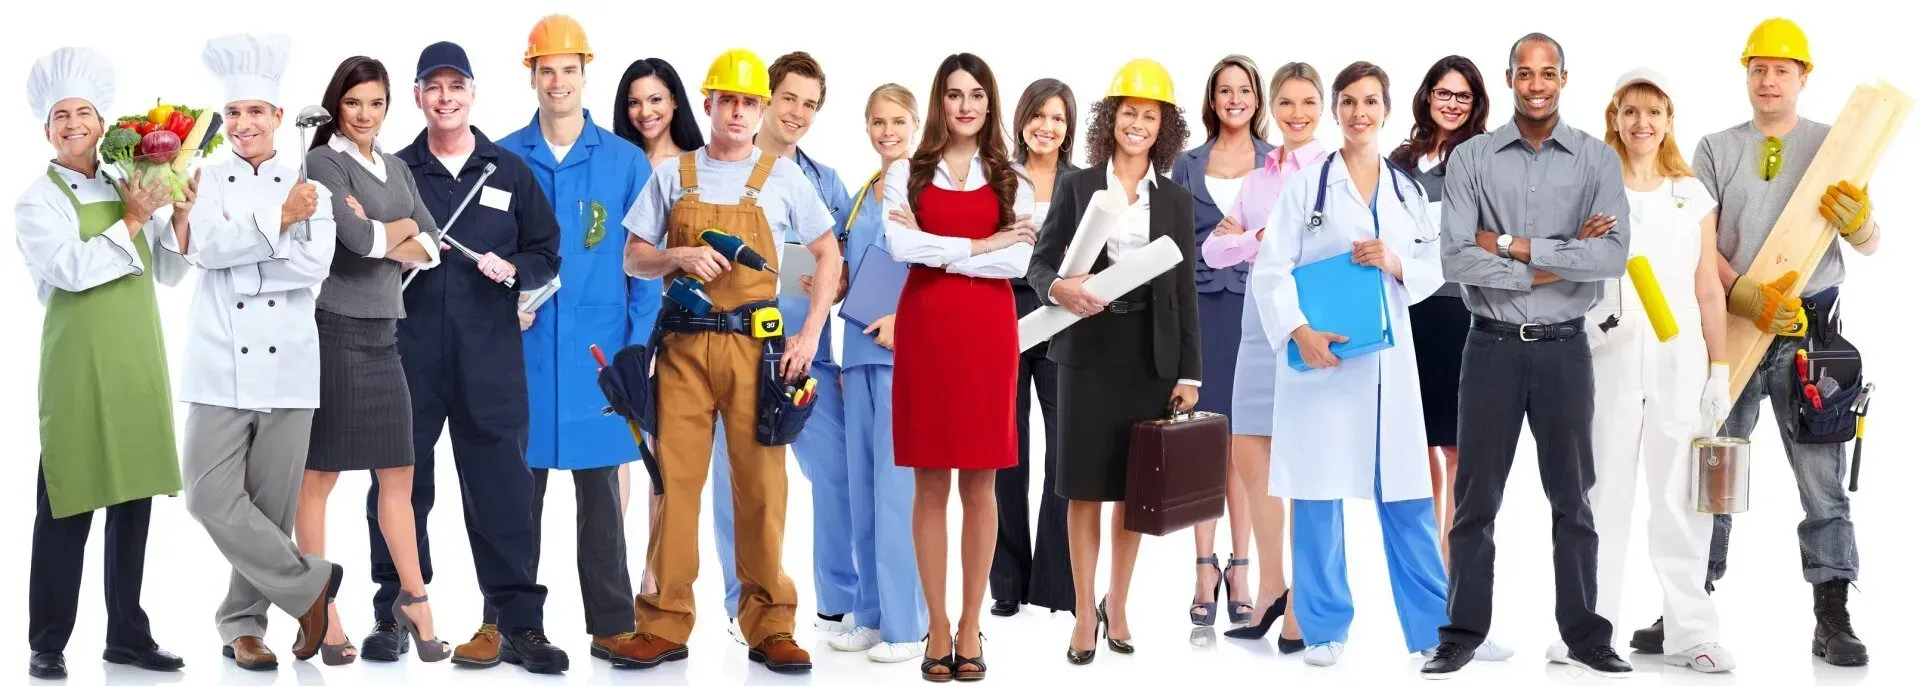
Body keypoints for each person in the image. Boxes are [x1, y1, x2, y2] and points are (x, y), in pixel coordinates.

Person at [1628, 17, 1880, 667]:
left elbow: (1869, 242)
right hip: (1734, 332)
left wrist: (1861, 223)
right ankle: (1689, 611)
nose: (1769, 80)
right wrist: (1741, 292)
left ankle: (1833, 616)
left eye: (1781, 70)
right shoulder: (1715, 149)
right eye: (1758, 69)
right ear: (1746, 74)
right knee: (1712, 475)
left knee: (1823, 484)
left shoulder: (1835, 145)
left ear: (1803, 77)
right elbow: (1697, 242)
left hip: (1810, 339)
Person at [620, 47, 842, 674]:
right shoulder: (673, 174)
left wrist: (809, 337)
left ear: (760, 109)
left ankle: (771, 626)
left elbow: (829, 255)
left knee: (762, 490)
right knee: (675, 487)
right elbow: (633, 256)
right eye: (728, 101)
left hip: (756, 351)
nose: (738, 112)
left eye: (749, 102)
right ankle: (662, 624)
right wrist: (677, 257)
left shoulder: (784, 178)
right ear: (709, 103)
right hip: (683, 351)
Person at [1422, 33, 1632, 679]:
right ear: (1509, 78)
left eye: (1547, 73)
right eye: (1524, 73)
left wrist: (1510, 244)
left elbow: (1610, 257)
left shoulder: (1596, 160)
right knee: (1474, 502)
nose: (1536, 84)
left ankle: (1586, 636)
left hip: (1566, 351)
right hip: (1489, 348)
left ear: (1563, 78)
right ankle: (1461, 634)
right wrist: (1562, 254)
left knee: (1574, 500)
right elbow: (1457, 257)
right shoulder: (1473, 159)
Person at [1249, 60, 1449, 668]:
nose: (1360, 113)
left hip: (1388, 367)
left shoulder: (1407, 191)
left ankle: (1434, 630)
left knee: (1408, 498)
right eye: (1349, 102)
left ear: (1386, 110)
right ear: (1336, 110)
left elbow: (1433, 267)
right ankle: (1324, 628)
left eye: (1370, 101)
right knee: (1317, 495)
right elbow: (1271, 270)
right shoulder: (1305, 188)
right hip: (1326, 364)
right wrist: (1299, 332)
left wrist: (1394, 261)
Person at [372, 40, 563, 669]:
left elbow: (547, 251)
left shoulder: (506, 170)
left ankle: (520, 624)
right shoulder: (394, 172)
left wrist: (516, 269)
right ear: (418, 96)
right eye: (433, 86)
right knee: (400, 484)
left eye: (456, 86)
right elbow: (365, 248)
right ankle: (394, 611)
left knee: (503, 488)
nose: (445, 97)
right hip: (407, 353)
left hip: (490, 357)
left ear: (473, 93)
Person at [490, 14, 659, 671]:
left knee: (602, 499)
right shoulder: (501, 158)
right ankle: (509, 624)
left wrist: (636, 352)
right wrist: (500, 313)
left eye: (568, 69)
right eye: (546, 69)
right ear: (531, 75)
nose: (557, 80)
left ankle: (613, 625)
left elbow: (644, 265)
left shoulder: (625, 162)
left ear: (586, 73)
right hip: (523, 355)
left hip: (599, 355)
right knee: (514, 495)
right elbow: (483, 256)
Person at [17, 46, 188, 680]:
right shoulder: (38, 200)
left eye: (83, 113)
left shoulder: (127, 182)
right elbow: (68, 269)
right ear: (47, 131)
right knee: (68, 498)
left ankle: (127, 636)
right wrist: (134, 220)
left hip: (136, 355)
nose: (73, 124)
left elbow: (168, 269)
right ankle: (47, 641)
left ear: (102, 122)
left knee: (134, 497)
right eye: (60, 116)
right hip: (79, 363)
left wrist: (179, 211)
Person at [1028, 58, 1199, 666]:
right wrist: (1058, 290)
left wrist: (1189, 372)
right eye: (1129, 112)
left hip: (1149, 357)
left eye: (1150, 116)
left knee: (1133, 493)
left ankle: (1117, 604)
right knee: (1083, 490)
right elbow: (1040, 263)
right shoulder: (1076, 187)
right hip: (1085, 352)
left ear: (1163, 127)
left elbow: (1184, 291)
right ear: (1111, 118)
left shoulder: (1176, 199)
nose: (1137, 124)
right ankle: (1083, 610)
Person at [183, 32, 344, 671]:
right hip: (218, 362)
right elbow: (203, 250)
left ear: (278, 116)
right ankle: (311, 585)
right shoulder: (207, 180)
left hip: (289, 368)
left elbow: (314, 267)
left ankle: (244, 626)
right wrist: (278, 222)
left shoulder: (312, 187)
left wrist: (242, 252)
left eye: (255, 111)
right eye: (233, 113)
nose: (242, 123)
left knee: (269, 510)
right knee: (206, 496)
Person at [885, 53, 1033, 681]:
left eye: (976, 94)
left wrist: (943, 251)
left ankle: (971, 623)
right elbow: (900, 246)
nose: (965, 105)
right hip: (926, 330)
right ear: (939, 101)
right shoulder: (907, 171)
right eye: (954, 94)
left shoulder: (1012, 177)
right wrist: (983, 244)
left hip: (987, 333)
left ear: (990, 103)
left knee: (980, 482)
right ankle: (938, 624)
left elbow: (1018, 263)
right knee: (928, 483)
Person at [1586, 68, 1736, 673]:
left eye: (1653, 111)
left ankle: (1690, 633)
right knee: (1602, 494)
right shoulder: (1593, 189)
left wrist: (1719, 369)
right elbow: (1573, 274)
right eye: (1630, 111)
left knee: (1680, 498)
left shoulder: (1691, 194)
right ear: (1615, 119)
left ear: (1669, 120)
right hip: (1609, 355)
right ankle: (1588, 629)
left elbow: (1708, 289)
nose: (1642, 122)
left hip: (1680, 361)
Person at [297, 55, 446, 666]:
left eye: (376, 103)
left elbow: (434, 243)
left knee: (399, 472)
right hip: (335, 331)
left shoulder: (394, 166)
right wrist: (399, 230)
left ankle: (415, 598)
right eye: (354, 102)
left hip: (386, 334)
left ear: (389, 106)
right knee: (319, 477)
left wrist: (392, 229)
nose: (365, 114)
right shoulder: (323, 162)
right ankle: (321, 608)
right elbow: (355, 243)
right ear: (337, 104)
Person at [708, 50, 859, 644]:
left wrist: (832, 293)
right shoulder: (722, 171)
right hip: (736, 353)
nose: (798, 112)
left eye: (810, 104)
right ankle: (741, 604)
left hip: (808, 358)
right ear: (765, 100)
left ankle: (839, 603)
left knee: (838, 474)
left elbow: (844, 265)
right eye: (789, 98)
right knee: (738, 488)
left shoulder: (827, 185)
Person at [1203, 62, 1324, 652]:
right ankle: (1272, 584)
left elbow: (1321, 248)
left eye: (1308, 103)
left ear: (1321, 109)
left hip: (1307, 318)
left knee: (1304, 460)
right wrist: (1261, 238)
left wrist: (1257, 241)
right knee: (1249, 446)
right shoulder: (1257, 178)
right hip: (1256, 321)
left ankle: (1304, 601)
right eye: (1287, 103)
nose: (1296, 114)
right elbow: (1214, 249)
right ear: (1271, 109)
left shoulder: (1331, 172)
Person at [823, 82, 932, 664]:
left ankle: (907, 624)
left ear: (915, 125)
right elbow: (856, 267)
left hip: (903, 357)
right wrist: (826, 283)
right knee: (863, 486)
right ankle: (868, 615)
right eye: (877, 122)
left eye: (897, 122)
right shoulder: (865, 190)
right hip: (859, 355)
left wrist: (906, 319)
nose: (887, 132)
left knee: (897, 492)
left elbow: (938, 268)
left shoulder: (926, 186)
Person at [1170, 54, 1268, 628]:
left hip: (1256, 311)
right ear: (1212, 99)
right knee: (1204, 442)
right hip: (1200, 311)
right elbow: (1170, 243)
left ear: (1257, 99)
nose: (1235, 99)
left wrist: (1249, 237)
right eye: (1225, 90)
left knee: (1244, 444)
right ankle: (1204, 566)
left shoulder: (1277, 163)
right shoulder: (1187, 164)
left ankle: (1242, 567)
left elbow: (1290, 238)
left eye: (1244, 89)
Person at [1385, 55, 1491, 564]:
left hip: (1459, 310)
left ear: (1476, 104)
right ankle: (1428, 557)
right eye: (1443, 93)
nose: (1451, 104)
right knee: (1417, 441)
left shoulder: (1484, 158)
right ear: (1427, 95)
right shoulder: (1400, 160)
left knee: (1458, 445)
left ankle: (1455, 559)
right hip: (1405, 309)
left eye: (1462, 96)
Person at [611, 59, 703, 593]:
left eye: (655, 99)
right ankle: (614, 574)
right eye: (634, 101)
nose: (644, 112)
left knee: (664, 455)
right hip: (622, 319)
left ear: (675, 103)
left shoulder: (697, 166)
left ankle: (656, 577)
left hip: (683, 323)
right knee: (621, 447)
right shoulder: (618, 164)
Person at [990, 77, 1078, 619]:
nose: (1046, 127)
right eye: (1038, 116)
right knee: (1006, 449)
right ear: (1022, 120)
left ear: (1069, 128)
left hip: (1061, 318)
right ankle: (1007, 579)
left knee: (1065, 448)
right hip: (1003, 312)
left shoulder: (1083, 182)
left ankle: (1055, 580)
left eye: (1058, 118)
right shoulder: (997, 177)